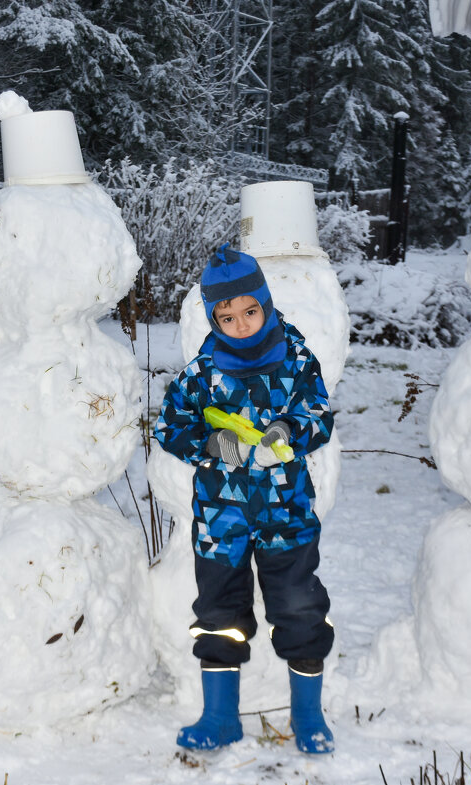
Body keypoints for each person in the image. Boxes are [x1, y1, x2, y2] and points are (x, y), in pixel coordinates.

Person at [153, 244, 335, 754]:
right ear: (213, 317)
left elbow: (319, 417)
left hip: (287, 515)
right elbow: (170, 426)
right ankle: (219, 717)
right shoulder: (202, 372)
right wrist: (214, 444)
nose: (240, 324)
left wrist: (286, 433)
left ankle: (307, 715)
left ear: (266, 303)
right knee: (219, 613)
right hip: (221, 519)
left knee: (299, 608)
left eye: (249, 311)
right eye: (226, 316)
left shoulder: (297, 360)